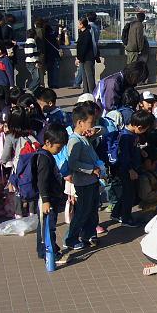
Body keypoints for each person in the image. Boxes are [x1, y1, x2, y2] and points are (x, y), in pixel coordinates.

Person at [65, 103, 102, 252]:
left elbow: (101, 131)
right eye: (90, 123)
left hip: (92, 181)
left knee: (92, 210)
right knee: (82, 211)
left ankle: (89, 234)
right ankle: (71, 239)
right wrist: (90, 169)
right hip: (83, 182)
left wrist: (93, 131)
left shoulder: (84, 136)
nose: (92, 126)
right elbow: (73, 163)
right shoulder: (75, 140)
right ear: (80, 123)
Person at [35, 122, 69, 267]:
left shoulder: (47, 155)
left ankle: (47, 250)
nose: (59, 150)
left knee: (47, 226)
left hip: (50, 198)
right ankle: (49, 253)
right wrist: (46, 200)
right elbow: (42, 182)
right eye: (58, 147)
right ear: (47, 142)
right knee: (48, 227)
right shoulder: (44, 158)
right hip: (46, 200)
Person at [112, 110, 155, 227]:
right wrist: (130, 169)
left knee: (127, 193)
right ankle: (126, 218)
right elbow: (124, 156)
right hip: (127, 170)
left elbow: (131, 150)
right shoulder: (126, 137)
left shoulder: (131, 134)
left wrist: (140, 151)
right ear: (140, 127)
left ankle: (116, 213)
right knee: (129, 194)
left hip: (130, 168)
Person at [75, 17, 97, 95]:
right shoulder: (82, 33)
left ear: (82, 25)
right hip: (83, 58)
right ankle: (86, 91)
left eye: (79, 23)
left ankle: (92, 92)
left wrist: (78, 58)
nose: (77, 25)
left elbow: (83, 47)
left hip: (87, 58)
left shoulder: (87, 33)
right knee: (84, 76)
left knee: (89, 76)